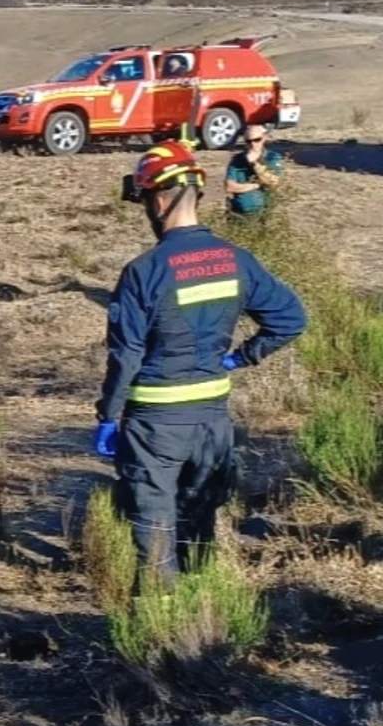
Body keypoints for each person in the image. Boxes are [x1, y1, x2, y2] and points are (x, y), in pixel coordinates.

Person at [95, 140, 308, 591]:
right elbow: (290, 319)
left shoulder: (143, 271)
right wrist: (238, 357)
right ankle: (200, 615)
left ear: (157, 198)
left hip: (155, 423)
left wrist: (108, 415)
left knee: (155, 530)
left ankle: (158, 630)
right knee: (199, 524)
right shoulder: (235, 260)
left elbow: (126, 353)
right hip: (213, 417)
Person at [224, 124, 284, 216]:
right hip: (239, 214)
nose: (253, 144)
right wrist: (255, 185)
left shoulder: (271, 157)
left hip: (263, 213)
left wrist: (254, 164)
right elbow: (229, 187)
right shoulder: (237, 160)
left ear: (264, 138)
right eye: (249, 141)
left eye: (257, 140)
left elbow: (272, 182)